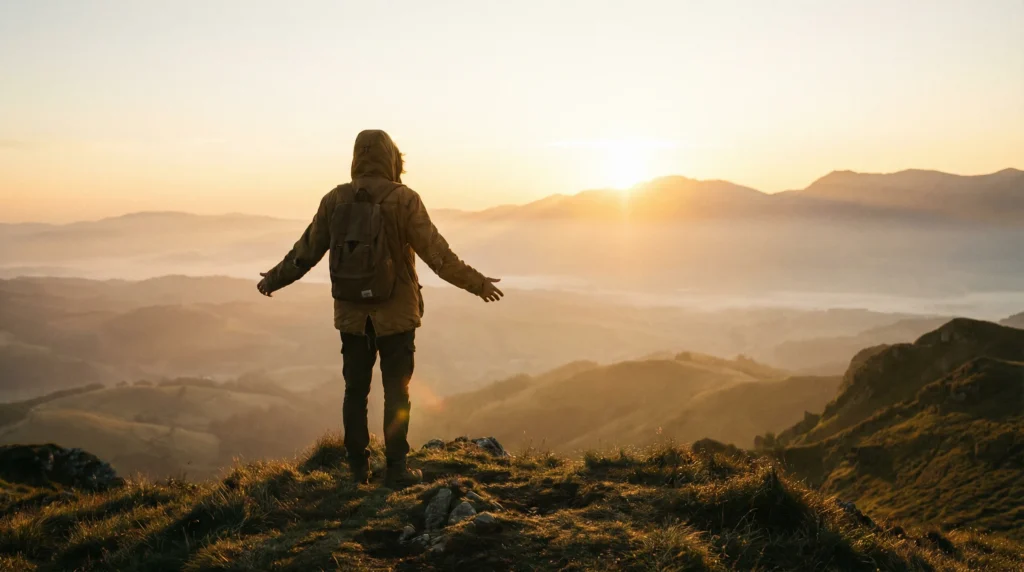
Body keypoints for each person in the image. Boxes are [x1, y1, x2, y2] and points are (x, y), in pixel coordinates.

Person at [257, 130, 503, 488]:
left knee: (355, 391)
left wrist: (273, 280)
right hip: (397, 314)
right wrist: (478, 283)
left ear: (356, 157)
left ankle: (358, 470)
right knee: (397, 392)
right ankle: (397, 470)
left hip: (352, 316)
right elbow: (438, 255)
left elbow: (306, 251)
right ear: (392, 158)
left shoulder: (335, 199)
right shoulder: (404, 200)